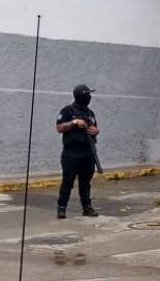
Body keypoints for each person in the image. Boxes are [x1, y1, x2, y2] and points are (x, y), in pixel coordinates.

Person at [55, 84, 100, 219]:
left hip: (87, 152)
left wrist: (95, 131)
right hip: (71, 153)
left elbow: (95, 128)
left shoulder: (90, 113)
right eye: (88, 95)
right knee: (68, 181)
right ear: (82, 96)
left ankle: (87, 207)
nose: (90, 97)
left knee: (85, 182)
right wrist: (74, 122)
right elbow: (59, 128)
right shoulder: (67, 111)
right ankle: (61, 208)